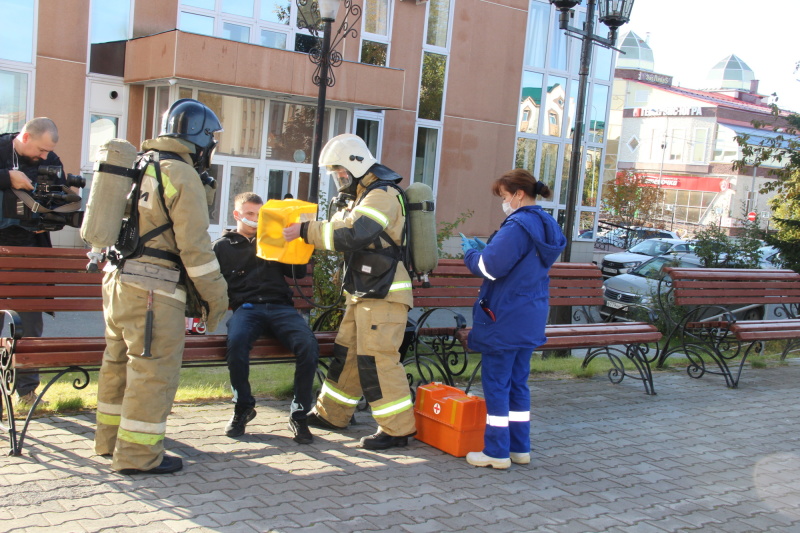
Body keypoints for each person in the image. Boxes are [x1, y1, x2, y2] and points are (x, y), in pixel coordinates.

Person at [94, 99, 229, 475]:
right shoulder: (181, 174)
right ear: (200, 138)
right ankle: (138, 456)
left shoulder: (141, 162)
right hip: (153, 290)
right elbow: (196, 248)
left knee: (117, 364)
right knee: (152, 372)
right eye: (212, 140)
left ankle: (109, 442)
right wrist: (216, 297)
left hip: (118, 280)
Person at [283, 133, 416, 451]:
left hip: (384, 295)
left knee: (378, 360)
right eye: (335, 173)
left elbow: (356, 232)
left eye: (340, 171)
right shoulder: (364, 195)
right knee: (348, 357)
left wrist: (305, 231)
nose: (338, 178)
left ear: (357, 166)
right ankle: (333, 415)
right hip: (366, 291)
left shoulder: (382, 194)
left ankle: (397, 430)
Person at [461, 168, 565, 469]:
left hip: (503, 316)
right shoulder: (546, 223)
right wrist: (490, 250)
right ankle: (519, 448)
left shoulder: (518, 225)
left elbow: (489, 268)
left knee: (496, 384)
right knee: (518, 383)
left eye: (504, 197)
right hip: (530, 314)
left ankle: (495, 452)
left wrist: (471, 253)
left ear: (518, 194)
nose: (503, 203)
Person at [212, 192, 319, 443]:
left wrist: (292, 238)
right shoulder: (222, 247)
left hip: (280, 307)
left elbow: (299, 274)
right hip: (247, 309)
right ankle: (243, 407)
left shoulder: (273, 239)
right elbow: (211, 284)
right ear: (237, 215)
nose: (255, 219)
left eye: (260, 215)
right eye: (250, 214)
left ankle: (299, 414)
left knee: (308, 344)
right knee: (236, 343)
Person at [0, 118, 63, 406]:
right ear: (25, 136)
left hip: (32, 253)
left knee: (30, 325)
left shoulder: (52, 160)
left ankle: (26, 393)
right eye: (40, 151)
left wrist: (50, 221)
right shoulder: (1, 147)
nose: (44, 157)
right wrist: (7, 178)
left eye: (47, 152)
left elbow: (64, 204)